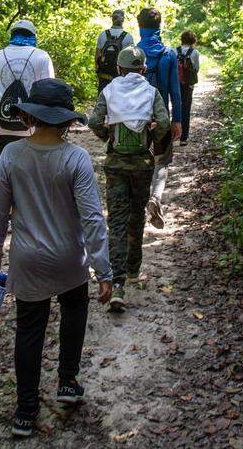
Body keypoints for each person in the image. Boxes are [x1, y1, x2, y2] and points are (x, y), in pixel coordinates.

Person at [0, 78, 113, 437]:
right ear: (68, 121)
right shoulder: (76, 158)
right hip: (70, 259)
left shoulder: (12, 155)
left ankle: (25, 411)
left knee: (28, 330)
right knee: (74, 310)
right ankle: (67, 381)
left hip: (27, 259)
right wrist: (103, 269)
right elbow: (91, 217)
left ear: (30, 117)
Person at [87, 46, 170, 312]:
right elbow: (165, 122)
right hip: (142, 165)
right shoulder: (151, 92)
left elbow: (94, 120)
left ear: (119, 69)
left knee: (117, 221)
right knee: (136, 217)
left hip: (116, 165)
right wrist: (152, 138)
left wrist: (107, 136)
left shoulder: (110, 90)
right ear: (143, 69)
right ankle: (134, 269)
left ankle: (117, 283)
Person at [135, 7, 182, 228]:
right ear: (159, 26)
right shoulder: (169, 54)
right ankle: (155, 197)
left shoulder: (133, 54)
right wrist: (177, 119)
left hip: (137, 118)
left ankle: (139, 203)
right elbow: (175, 90)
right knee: (162, 161)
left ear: (139, 26)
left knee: (141, 159)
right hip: (162, 117)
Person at [0, 19, 55, 155]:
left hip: (2, 125)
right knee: (31, 167)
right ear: (33, 36)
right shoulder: (41, 56)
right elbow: (49, 93)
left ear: (12, 35)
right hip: (32, 127)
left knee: (5, 166)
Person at [94, 9, 134, 93]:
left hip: (104, 75)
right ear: (123, 20)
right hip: (120, 76)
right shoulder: (128, 37)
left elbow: (97, 56)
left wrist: (98, 72)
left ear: (112, 19)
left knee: (103, 100)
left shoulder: (103, 34)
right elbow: (130, 58)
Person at [176, 30, 201, 145]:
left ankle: (174, 136)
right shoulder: (195, 52)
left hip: (176, 84)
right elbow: (196, 69)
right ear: (193, 40)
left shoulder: (175, 51)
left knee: (176, 108)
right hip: (188, 85)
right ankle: (183, 138)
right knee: (186, 109)